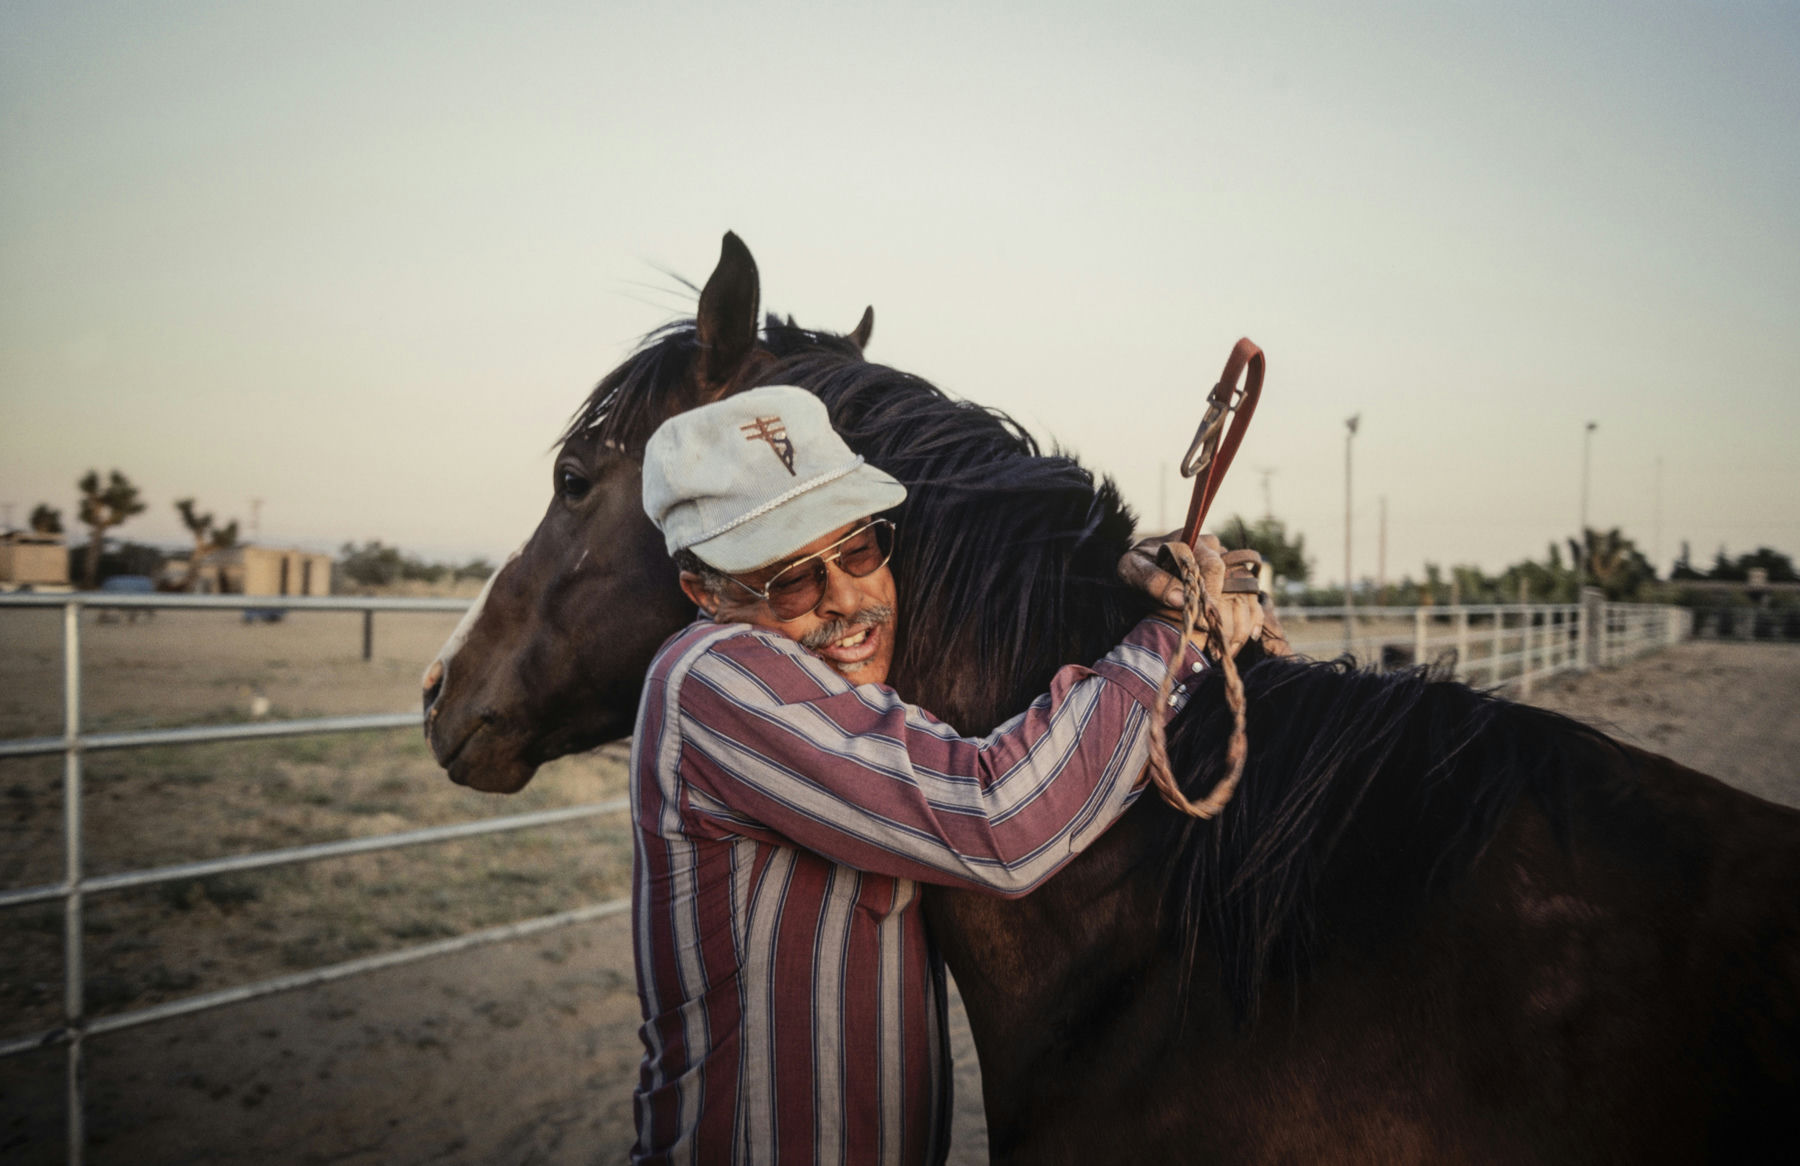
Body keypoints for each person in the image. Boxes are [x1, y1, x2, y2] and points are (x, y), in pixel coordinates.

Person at [629, 385, 1263, 1164]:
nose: (847, 598)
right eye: (791, 579)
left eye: (859, 549)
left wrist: (1119, 577)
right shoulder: (712, 676)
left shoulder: (832, 683)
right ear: (704, 592)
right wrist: (1172, 638)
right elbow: (994, 819)